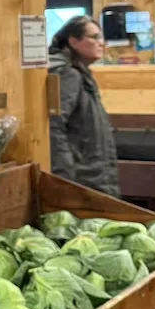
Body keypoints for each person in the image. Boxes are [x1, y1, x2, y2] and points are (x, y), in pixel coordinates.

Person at [48, 15, 119, 197]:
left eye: (101, 37)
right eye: (94, 37)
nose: (101, 43)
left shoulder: (80, 73)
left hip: (91, 173)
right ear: (73, 41)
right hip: (83, 176)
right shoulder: (68, 75)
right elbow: (54, 125)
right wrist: (66, 174)